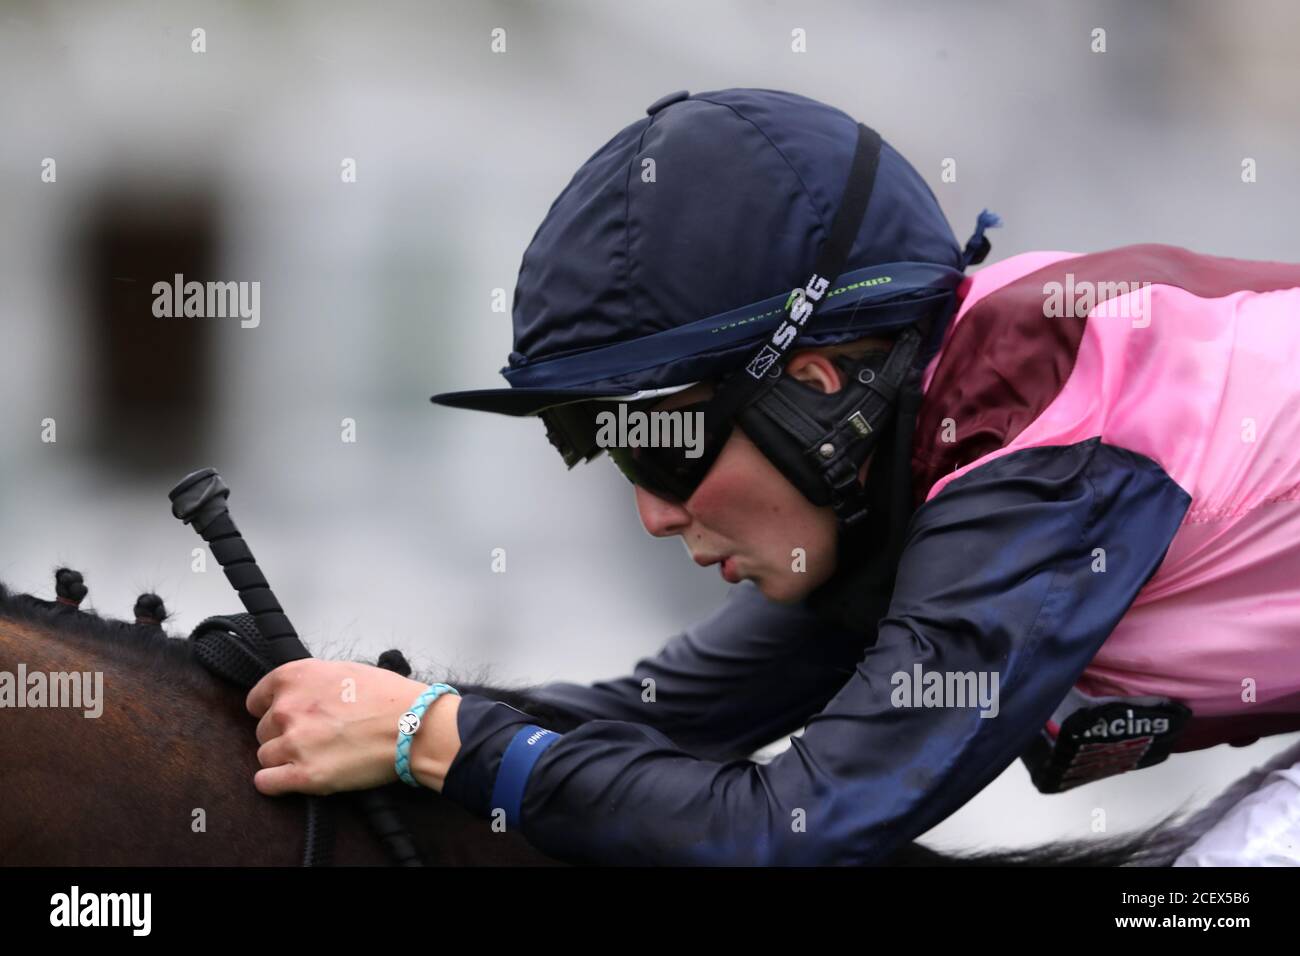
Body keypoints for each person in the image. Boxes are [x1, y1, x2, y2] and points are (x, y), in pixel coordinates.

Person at [247, 88, 1300, 865]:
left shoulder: (1047, 450)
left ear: (817, 382)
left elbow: (792, 829)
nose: (655, 512)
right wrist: (378, 710)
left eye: (665, 448)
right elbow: (658, 720)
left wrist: (438, 737)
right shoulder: (921, 434)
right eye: (602, 446)